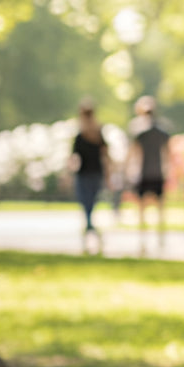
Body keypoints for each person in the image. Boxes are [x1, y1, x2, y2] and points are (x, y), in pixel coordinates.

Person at [129, 95, 170, 255]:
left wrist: (130, 170)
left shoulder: (140, 132)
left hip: (145, 174)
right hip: (156, 173)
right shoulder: (160, 132)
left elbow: (134, 153)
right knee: (159, 208)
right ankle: (158, 238)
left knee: (143, 209)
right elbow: (167, 153)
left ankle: (146, 239)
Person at [70, 99, 110, 254]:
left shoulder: (88, 134)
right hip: (91, 173)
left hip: (88, 173)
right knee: (89, 204)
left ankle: (89, 228)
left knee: (87, 204)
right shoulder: (86, 134)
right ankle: (90, 228)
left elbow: (105, 155)